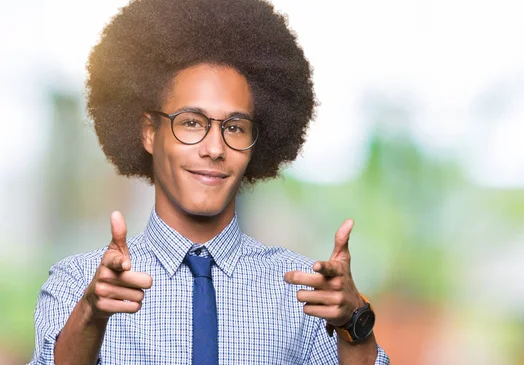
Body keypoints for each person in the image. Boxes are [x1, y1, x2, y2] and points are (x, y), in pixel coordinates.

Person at [30, 0, 390, 363]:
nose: (215, 148)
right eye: (191, 122)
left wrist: (354, 325)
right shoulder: (77, 283)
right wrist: (92, 314)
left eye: (234, 127)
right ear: (149, 133)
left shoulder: (304, 293)